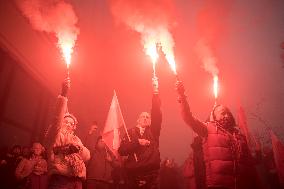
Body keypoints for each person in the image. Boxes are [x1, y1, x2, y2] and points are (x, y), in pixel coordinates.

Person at [176, 81, 259, 189]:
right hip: (219, 185)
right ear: (214, 116)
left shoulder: (239, 136)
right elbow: (188, 118)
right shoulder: (208, 129)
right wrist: (182, 96)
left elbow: (250, 164)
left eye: (228, 113)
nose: (226, 115)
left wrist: (258, 155)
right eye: (222, 113)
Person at [44, 78, 90, 189]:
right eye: (66, 121)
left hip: (77, 181)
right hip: (61, 181)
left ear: (74, 127)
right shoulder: (55, 135)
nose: (69, 124)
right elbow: (56, 120)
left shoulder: (76, 139)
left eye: (71, 123)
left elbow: (87, 156)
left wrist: (79, 149)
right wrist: (63, 95)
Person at [118, 77, 162, 189]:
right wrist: (137, 142)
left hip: (151, 174)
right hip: (133, 175)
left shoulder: (153, 131)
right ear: (138, 120)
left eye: (148, 117)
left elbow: (156, 113)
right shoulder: (130, 132)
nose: (146, 118)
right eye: (143, 116)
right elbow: (121, 150)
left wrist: (155, 92)